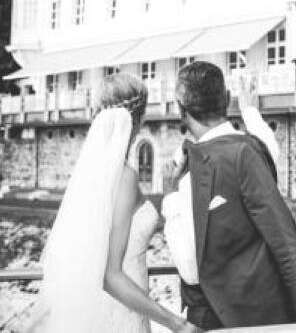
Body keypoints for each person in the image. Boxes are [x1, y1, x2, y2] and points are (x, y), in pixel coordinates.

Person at [163, 62, 296, 331]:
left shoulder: (190, 173)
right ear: (226, 99)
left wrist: (170, 197)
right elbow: (269, 142)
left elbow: (191, 270)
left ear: (181, 109)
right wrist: (249, 110)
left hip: (220, 319)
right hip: (271, 313)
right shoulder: (255, 150)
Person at [32, 73, 190, 333]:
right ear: (137, 119)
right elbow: (110, 275)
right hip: (122, 310)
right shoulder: (124, 176)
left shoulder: (91, 172)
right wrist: (177, 323)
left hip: (109, 304)